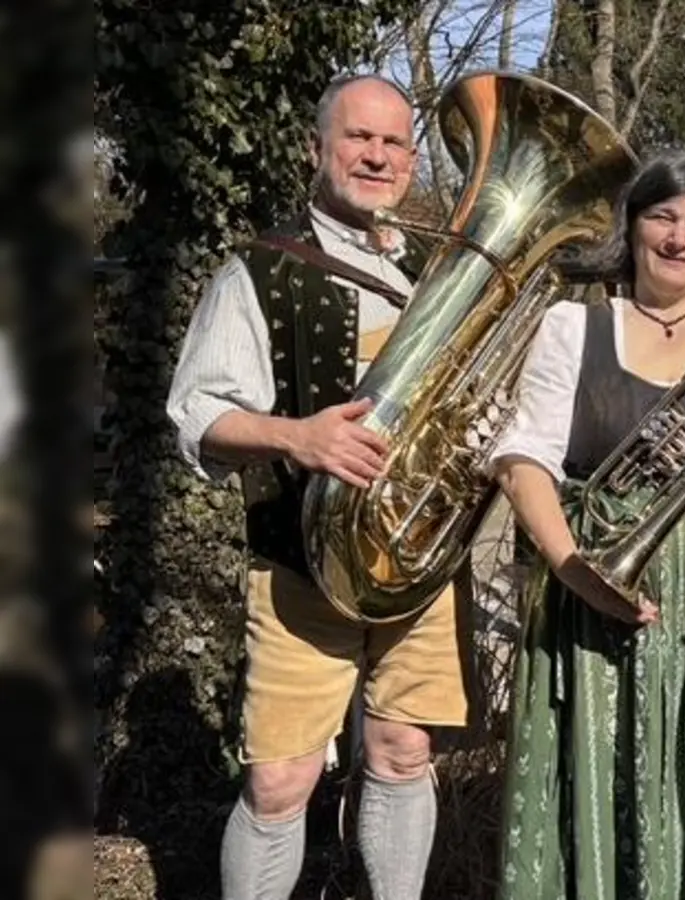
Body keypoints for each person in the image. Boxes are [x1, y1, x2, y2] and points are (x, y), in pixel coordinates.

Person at [166, 74, 467, 900]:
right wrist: (297, 435)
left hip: (422, 564)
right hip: (301, 559)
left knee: (404, 753)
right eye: (357, 139)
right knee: (280, 782)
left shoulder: (443, 275)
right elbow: (197, 410)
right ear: (317, 150)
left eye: (393, 143)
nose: (377, 156)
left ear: (411, 158)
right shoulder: (260, 270)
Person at [488, 148, 685, 900]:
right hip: (602, 590)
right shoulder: (575, 327)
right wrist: (572, 570)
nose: (679, 238)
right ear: (630, 227)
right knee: (611, 775)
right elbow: (524, 455)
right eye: (662, 216)